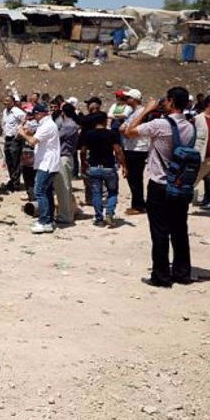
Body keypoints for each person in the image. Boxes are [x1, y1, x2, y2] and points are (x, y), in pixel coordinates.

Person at [123, 87, 195, 288]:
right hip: (180, 184)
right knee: (180, 229)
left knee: (160, 231)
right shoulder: (190, 126)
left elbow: (129, 132)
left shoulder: (160, 124)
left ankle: (161, 276)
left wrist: (146, 110)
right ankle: (182, 272)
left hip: (160, 184)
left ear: (171, 101)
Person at [18, 102, 60, 234]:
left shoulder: (47, 125)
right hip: (46, 162)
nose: (34, 117)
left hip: (47, 164)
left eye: (35, 114)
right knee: (47, 192)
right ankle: (49, 220)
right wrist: (29, 132)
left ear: (40, 114)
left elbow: (33, 141)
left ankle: (44, 221)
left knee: (39, 191)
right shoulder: (46, 124)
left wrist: (22, 134)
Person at [79, 112, 126, 226]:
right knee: (113, 192)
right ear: (105, 121)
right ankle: (109, 213)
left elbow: (83, 151)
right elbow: (118, 150)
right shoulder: (111, 134)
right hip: (109, 167)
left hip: (94, 167)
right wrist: (124, 165)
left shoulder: (88, 134)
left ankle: (99, 219)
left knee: (96, 193)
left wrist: (84, 164)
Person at [119, 92, 149, 215]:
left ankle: (138, 205)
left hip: (137, 148)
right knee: (133, 178)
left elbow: (126, 130)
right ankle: (138, 203)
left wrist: (126, 129)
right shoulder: (133, 112)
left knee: (135, 178)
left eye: (128, 97)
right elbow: (122, 128)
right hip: (132, 147)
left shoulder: (140, 112)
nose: (126, 99)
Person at [53, 103, 80, 225]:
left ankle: (66, 215)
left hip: (64, 157)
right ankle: (68, 211)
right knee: (63, 187)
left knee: (64, 187)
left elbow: (56, 138)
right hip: (64, 157)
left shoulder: (69, 126)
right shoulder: (68, 123)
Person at [1, 96, 26, 191]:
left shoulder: (17, 112)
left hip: (15, 140)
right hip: (7, 138)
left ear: (12, 102)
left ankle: (15, 184)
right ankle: (12, 180)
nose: (5, 102)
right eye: (5, 100)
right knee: (9, 161)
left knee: (15, 162)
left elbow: (25, 119)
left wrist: (20, 132)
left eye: (7, 100)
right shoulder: (5, 111)